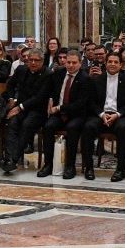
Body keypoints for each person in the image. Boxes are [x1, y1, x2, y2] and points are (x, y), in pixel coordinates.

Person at [38, 50, 96, 179]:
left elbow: (80, 104)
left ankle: (70, 166)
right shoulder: (58, 74)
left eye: (74, 63)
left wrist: (59, 107)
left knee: (72, 128)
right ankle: (48, 164)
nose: (70, 65)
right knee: (48, 127)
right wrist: (51, 101)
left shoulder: (85, 79)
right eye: (68, 62)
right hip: (58, 114)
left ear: (80, 63)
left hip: (77, 114)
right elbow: (51, 91)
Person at [84, 51, 125, 182]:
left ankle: (120, 169)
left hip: (120, 115)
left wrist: (117, 115)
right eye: (110, 62)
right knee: (88, 127)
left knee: (123, 127)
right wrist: (102, 114)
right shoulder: (96, 80)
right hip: (101, 115)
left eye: (115, 62)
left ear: (120, 65)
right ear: (105, 63)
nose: (112, 64)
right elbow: (91, 102)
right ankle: (89, 167)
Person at [1, 48, 51, 174]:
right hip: (21, 107)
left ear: (42, 61)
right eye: (30, 60)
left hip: (38, 110)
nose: (33, 63)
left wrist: (19, 107)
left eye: (36, 60)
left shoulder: (48, 74)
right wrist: (12, 98)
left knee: (27, 124)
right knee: (11, 123)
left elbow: (40, 97)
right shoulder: (21, 70)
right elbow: (10, 85)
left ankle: (13, 158)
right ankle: (8, 158)